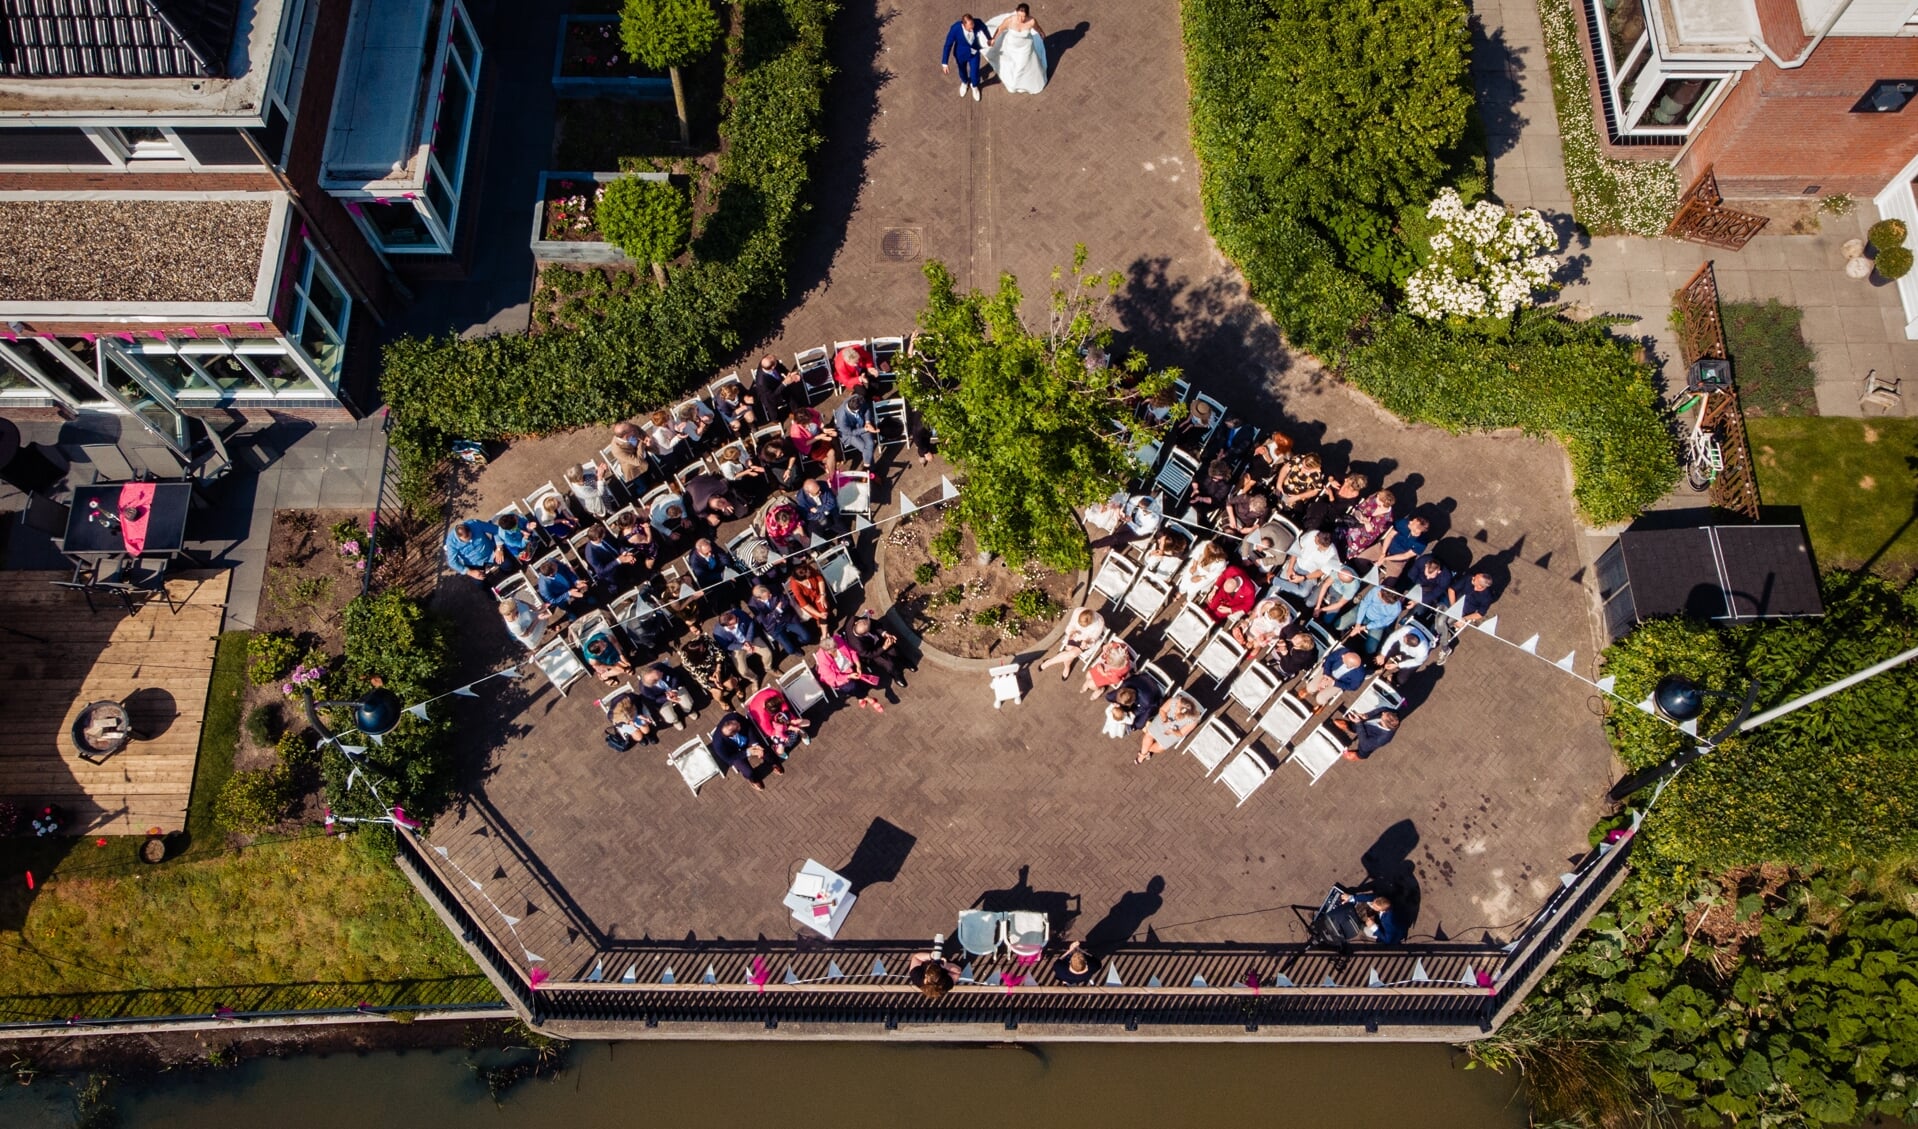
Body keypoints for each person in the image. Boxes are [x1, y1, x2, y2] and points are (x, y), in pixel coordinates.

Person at [677, 618, 744, 710]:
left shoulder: (704, 640)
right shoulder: (686, 659)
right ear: (696, 655)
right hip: (705, 675)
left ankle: (737, 688)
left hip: (717, 665)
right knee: (717, 692)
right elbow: (697, 674)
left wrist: (718, 670)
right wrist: (713, 679)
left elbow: (719, 652)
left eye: (703, 646)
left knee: (731, 684)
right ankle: (722, 702)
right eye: (702, 650)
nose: (704, 648)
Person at [984, 4, 1048, 95]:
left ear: (1027, 15)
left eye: (1023, 16)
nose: (1021, 19)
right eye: (1019, 15)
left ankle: (1017, 83)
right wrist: (993, 39)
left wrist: (1042, 34)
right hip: (1012, 46)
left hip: (1026, 47)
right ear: (1016, 12)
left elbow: (1037, 28)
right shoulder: (1010, 20)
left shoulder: (1031, 21)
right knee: (1013, 63)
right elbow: (1000, 28)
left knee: (1022, 65)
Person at [1436, 570, 1496, 662]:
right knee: (1440, 624)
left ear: (1480, 586)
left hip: (1462, 614)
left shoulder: (1487, 597)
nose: (1472, 578)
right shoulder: (1468, 578)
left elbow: (1480, 614)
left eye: (1474, 579)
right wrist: (1454, 607)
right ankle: (1445, 647)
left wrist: (1464, 619)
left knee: (1440, 624)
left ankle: (1444, 647)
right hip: (1451, 603)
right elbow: (1451, 590)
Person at [816, 630, 884, 711]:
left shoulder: (837, 640)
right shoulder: (823, 661)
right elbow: (833, 677)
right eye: (834, 648)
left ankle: (861, 698)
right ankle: (869, 699)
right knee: (851, 687)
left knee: (856, 685)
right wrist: (848, 676)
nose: (837, 647)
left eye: (836, 645)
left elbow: (851, 652)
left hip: (850, 667)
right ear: (827, 651)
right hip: (838, 678)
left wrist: (858, 665)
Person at [1271, 529, 1342, 600]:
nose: (1318, 548)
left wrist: (1304, 577)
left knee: (1303, 593)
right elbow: (1297, 548)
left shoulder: (1333, 555)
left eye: (1321, 548)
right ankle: (1278, 586)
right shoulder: (1312, 535)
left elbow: (1321, 572)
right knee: (1283, 578)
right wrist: (1290, 567)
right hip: (1298, 563)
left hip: (1311, 573)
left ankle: (1272, 579)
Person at [746, 684, 810, 763]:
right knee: (781, 746)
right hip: (773, 726)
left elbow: (784, 706)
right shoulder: (762, 716)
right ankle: (777, 750)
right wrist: (786, 728)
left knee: (799, 722)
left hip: (781, 717)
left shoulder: (775, 695)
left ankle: (801, 732)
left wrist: (788, 718)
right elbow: (769, 731)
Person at [712, 608, 776, 683]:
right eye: (735, 622)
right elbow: (727, 646)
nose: (738, 619)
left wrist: (748, 640)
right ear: (728, 626)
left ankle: (768, 668)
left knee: (767, 654)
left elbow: (751, 623)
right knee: (743, 671)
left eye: (735, 617)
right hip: (737, 647)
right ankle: (754, 679)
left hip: (750, 638)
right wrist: (742, 646)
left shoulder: (738, 613)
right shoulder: (718, 633)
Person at [748, 581, 812, 656]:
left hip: (787, 618)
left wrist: (771, 615)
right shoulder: (752, 605)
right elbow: (765, 621)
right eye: (768, 596)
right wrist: (777, 610)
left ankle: (796, 641)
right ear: (759, 599)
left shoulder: (773, 588)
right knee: (790, 650)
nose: (771, 595)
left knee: (807, 637)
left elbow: (785, 602)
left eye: (769, 593)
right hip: (774, 627)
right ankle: (793, 648)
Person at [1039, 607, 1105, 678]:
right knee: (1069, 652)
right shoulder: (1078, 611)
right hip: (1075, 636)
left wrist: (1087, 642)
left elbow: (1093, 639)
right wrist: (1072, 631)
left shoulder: (1099, 622)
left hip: (1085, 641)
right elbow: (1070, 625)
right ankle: (1067, 666)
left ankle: (1049, 662)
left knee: (1072, 653)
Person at [848, 612, 904, 695]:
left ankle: (904, 660)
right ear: (864, 634)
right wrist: (884, 647)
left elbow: (874, 623)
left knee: (894, 651)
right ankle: (896, 675)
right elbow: (871, 654)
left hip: (876, 640)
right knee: (889, 664)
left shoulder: (854, 619)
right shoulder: (859, 646)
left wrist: (884, 633)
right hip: (871, 652)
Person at [708, 713, 767, 791]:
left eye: (737, 723)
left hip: (746, 741)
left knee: (763, 749)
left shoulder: (734, 717)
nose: (740, 724)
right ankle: (753, 780)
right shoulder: (718, 745)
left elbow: (748, 726)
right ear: (733, 735)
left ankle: (773, 762)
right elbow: (729, 759)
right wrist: (747, 752)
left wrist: (755, 744)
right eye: (739, 727)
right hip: (735, 754)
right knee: (748, 772)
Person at [940, 12, 991, 101]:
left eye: (973, 24)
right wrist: (945, 62)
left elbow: (984, 28)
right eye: (970, 26)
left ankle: (974, 86)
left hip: (974, 53)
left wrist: (989, 38)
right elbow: (948, 45)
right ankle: (964, 82)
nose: (973, 27)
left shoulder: (977, 22)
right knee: (962, 71)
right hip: (961, 54)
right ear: (963, 25)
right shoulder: (955, 29)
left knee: (975, 73)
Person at [1139, 690, 1200, 762]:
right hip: (1162, 721)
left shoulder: (1192, 721)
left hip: (1173, 733)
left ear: (1181, 710)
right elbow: (1162, 710)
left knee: (1158, 749)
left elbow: (1180, 734)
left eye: (1178, 704)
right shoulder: (1174, 701)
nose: (1177, 701)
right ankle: (1142, 756)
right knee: (1148, 736)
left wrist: (1173, 731)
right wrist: (1165, 719)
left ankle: (1145, 752)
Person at [1345, 584, 1407, 654]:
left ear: (1385, 602)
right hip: (1364, 612)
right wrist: (1358, 624)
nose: (1378, 592)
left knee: (1371, 649)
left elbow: (1383, 622)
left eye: (1379, 595)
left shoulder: (1396, 609)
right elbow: (1364, 604)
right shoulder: (1377, 590)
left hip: (1377, 624)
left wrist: (1365, 627)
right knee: (1339, 625)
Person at [636, 662, 699, 729]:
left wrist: (674, 689)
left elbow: (675, 675)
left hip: (674, 688)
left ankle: (688, 711)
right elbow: (655, 700)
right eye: (659, 674)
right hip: (663, 699)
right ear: (655, 682)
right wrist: (666, 698)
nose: (661, 672)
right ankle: (675, 721)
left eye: (658, 671)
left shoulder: (659, 666)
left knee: (688, 703)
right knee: (670, 718)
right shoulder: (644, 690)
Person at [581, 522, 638, 592]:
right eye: (603, 535)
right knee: (613, 586)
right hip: (608, 572)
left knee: (625, 571)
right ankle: (616, 593)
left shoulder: (604, 534)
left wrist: (624, 552)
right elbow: (602, 571)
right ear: (598, 538)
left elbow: (616, 543)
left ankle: (628, 577)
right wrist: (618, 560)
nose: (606, 535)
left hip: (619, 559)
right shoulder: (590, 553)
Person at [1339, 488, 1397, 557]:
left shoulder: (1387, 519)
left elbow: (1373, 533)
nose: (1376, 498)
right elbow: (1359, 509)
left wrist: (1367, 523)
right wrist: (1362, 518)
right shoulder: (1374, 499)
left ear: (1382, 504)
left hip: (1364, 535)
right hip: (1355, 522)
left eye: (1378, 498)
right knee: (1339, 530)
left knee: (1352, 545)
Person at [1374, 619, 1434, 684]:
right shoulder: (1406, 630)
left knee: (1401, 680)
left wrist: (1398, 665)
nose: (1403, 636)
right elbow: (1392, 638)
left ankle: (1392, 677)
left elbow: (1416, 662)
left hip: (1410, 656)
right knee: (1379, 657)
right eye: (1405, 636)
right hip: (1399, 645)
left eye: (1404, 639)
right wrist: (1383, 654)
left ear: (1409, 645)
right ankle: (1377, 667)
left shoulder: (1423, 651)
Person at [835, 391, 883, 469]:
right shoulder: (841, 418)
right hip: (848, 434)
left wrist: (867, 422)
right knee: (864, 448)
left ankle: (868, 468)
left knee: (870, 444)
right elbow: (850, 432)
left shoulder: (857, 398)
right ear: (856, 410)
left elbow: (866, 408)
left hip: (862, 425)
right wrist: (865, 429)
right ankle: (869, 469)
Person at [1334, 707, 1401, 761]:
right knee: (1345, 724)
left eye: (1383, 715)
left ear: (1384, 723)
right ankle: (1350, 727)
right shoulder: (1394, 716)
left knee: (1355, 754)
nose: (1383, 713)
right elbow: (1384, 709)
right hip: (1365, 726)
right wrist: (1367, 715)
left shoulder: (1384, 738)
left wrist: (1359, 723)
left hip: (1365, 746)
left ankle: (1356, 755)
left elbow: (1364, 743)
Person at [1339, 890, 1404, 943]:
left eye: (1374, 906)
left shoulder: (1389, 921)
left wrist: (1373, 927)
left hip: (1393, 935)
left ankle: (1361, 926)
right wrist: (1351, 898)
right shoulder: (1382, 901)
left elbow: (1388, 940)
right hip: (1390, 920)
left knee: (1366, 930)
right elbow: (1370, 897)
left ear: (1382, 910)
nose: (1372, 904)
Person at [753, 354, 802, 423]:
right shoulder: (761, 383)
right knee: (772, 411)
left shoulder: (770, 361)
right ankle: (776, 422)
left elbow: (780, 366)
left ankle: (797, 413)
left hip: (777, 383)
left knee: (790, 396)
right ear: (772, 367)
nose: (777, 361)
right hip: (769, 396)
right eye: (776, 362)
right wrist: (784, 383)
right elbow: (772, 395)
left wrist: (788, 373)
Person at [1404, 553, 1454, 620]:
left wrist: (1417, 601)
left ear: (1439, 571)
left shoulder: (1445, 577)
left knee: (1419, 611)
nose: (1427, 578)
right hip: (1417, 583)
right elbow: (1411, 576)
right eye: (1426, 574)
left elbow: (1434, 594)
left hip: (1430, 590)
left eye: (1431, 576)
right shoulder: (1422, 560)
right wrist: (1410, 591)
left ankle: (1410, 619)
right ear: (1426, 565)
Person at [786, 558, 832, 625]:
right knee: (822, 615)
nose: (810, 572)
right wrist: (819, 614)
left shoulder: (806, 568)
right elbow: (804, 604)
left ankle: (824, 628)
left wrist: (822, 595)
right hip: (808, 603)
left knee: (824, 610)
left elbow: (820, 579)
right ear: (802, 580)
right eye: (808, 576)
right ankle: (824, 629)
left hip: (818, 595)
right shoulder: (795, 586)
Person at [608, 421, 652, 490]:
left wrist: (646, 437)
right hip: (634, 469)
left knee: (652, 478)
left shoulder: (631, 428)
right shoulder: (617, 449)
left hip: (645, 457)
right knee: (644, 487)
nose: (634, 429)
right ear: (626, 435)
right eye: (632, 430)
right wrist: (641, 443)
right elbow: (637, 462)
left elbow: (640, 431)